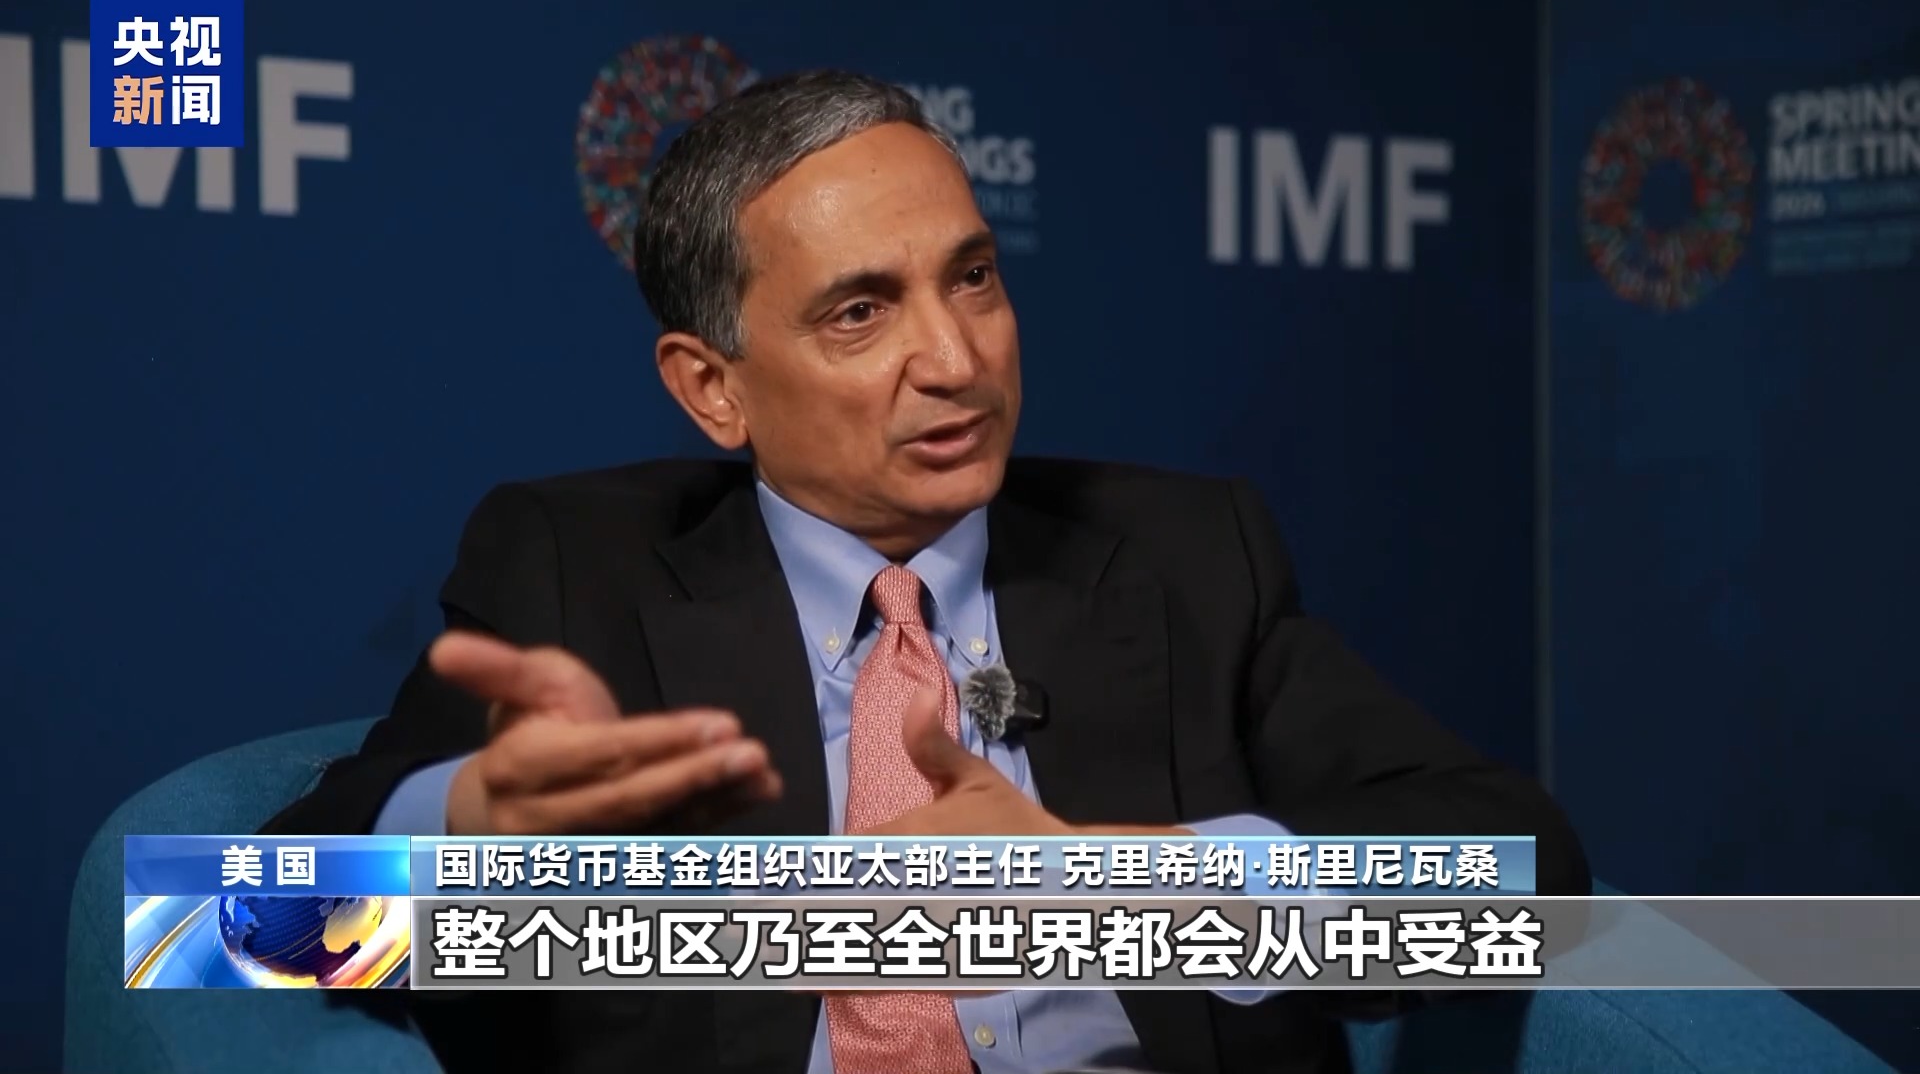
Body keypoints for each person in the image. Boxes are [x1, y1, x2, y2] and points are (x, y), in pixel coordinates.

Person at [265, 69, 1588, 1074]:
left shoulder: (1182, 556)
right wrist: (455, 840)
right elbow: (248, 927)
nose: (957, 360)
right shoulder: (578, 571)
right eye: (861, 312)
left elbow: (1523, 875)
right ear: (714, 389)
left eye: (974, 279)